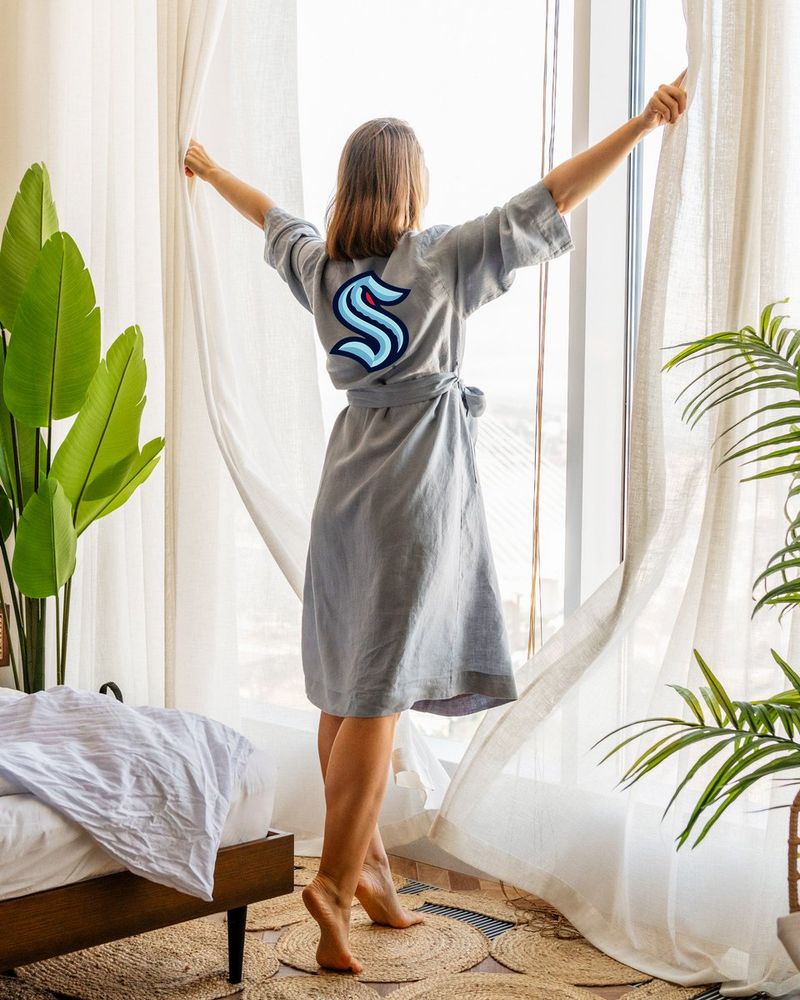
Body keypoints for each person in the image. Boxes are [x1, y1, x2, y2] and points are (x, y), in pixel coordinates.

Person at [183, 67, 687, 975]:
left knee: (345, 683)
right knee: (377, 691)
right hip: (414, 492)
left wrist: (209, 169)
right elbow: (554, 194)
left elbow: (266, 215)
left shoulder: (320, 263)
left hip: (344, 487)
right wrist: (642, 124)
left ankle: (371, 872)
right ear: (410, 188)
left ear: (348, 188)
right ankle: (332, 889)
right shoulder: (443, 256)